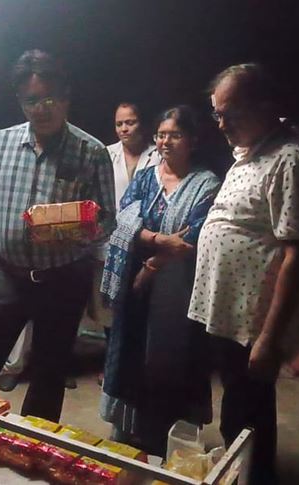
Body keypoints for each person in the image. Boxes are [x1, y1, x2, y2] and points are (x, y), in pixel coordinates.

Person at [0, 49, 116, 421]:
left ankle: (27, 450)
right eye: (31, 101)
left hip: (63, 279)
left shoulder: (91, 152)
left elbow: (107, 218)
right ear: (20, 101)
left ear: (65, 98)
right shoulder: (0, 142)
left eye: (49, 99)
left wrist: (75, 232)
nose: (41, 109)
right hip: (5, 274)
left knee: (49, 374)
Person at [187, 63, 299, 485]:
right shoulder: (252, 149)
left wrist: (269, 338)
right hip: (229, 314)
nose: (222, 125)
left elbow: (297, 253)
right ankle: (239, 472)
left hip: (253, 323)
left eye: (231, 114)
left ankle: (255, 477)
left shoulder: (291, 161)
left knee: (250, 415)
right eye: (217, 114)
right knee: (237, 405)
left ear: (265, 106)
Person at [100, 105, 221, 456]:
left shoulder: (206, 184)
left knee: (170, 358)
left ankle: (164, 436)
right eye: (161, 135)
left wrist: (151, 265)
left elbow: (193, 237)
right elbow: (124, 219)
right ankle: (128, 431)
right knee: (131, 353)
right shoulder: (145, 177)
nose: (166, 142)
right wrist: (157, 239)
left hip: (179, 287)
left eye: (175, 135)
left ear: (193, 140)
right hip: (134, 285)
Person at [87, 103, 161, 386]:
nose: (124, 129)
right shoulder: (106, 154)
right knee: (108, 306)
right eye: (119, 124)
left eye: (130, 122)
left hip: (144, 239)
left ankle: (136, 364)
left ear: (143, 124)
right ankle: (111, 362)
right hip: (108, 240)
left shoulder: (157, 154)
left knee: (138, 303)